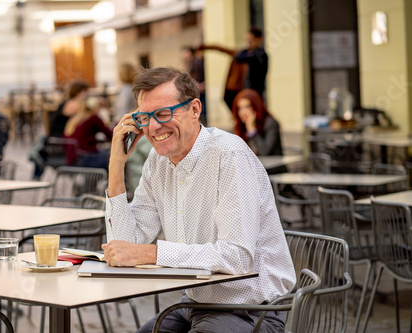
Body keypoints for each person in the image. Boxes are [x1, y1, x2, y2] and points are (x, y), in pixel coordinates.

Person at [101, 67, 296, 332]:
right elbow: (124, 246)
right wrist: (116, 163)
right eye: (144, 118)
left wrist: (152, 253)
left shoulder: (229, 155)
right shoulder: (157, 163)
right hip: (194, 303)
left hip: (253, 310)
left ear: (194, 109)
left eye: (163, 113)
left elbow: (237, 258)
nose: (153, 127)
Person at [29, 80, 89, 179]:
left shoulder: (67, 102)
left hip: (56, 139)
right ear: (80, 91)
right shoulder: (73, 104)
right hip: (60, 142)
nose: (87, 94)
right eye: (86, 91)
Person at [199, 27, 268, 110]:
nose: (248, 43)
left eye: (250, 40)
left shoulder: (260, 55)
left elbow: (242, 57)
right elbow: (224, 50)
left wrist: (248, 48)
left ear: (258, 39)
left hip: (254, 93)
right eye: (247, 40)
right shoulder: (246, 53)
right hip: (241, 91)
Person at [62, 95, 113, 170]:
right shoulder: (93, 118)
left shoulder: (74, 120)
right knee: (111, 158)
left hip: (71, 159)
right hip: (86, 158)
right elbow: (110, 135)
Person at [232, 89, 283, 156]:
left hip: (273, 165)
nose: (243, 112)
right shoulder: (241, 125)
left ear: (255, 106)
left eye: (247, 107)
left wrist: (252, 130)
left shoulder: (270, 124)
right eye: (240, 108)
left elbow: (264, 151)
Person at [181, 46, 206, 125]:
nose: (184, 55)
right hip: (195, 91)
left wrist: (202, 85)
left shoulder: (198, 62)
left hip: (201, 90)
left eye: (186, 53)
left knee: (203, 110)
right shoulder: (188, 64)